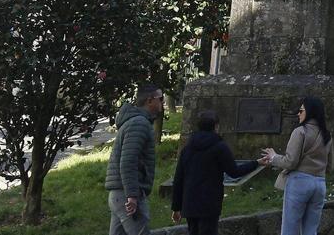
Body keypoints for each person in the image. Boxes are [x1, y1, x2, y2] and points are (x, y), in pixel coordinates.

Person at [171, 111, 259, 234]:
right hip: (209, 203)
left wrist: (176, 207)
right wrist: (256, 163)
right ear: (216, 126)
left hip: (189, 202)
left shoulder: (188, 148)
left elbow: (179, 178)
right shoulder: (219, 147)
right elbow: (234, 172)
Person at [260, 96, 332, 235]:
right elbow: (330, 165)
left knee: (290, 228)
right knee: (311, 230)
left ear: (310, 112)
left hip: (300, 182)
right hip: (319, 183)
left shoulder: (300, 131)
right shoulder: (327, 135)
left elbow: (290, 162)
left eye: (301, 111)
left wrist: (274, 157)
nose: (298, 114)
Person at [105, 85, 164, 235]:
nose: (162, 103)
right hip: (126, 195)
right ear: (150, 101)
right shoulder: (139, 123)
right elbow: (128, 161)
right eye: (161, 99)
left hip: (119, 194)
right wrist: (132, 195)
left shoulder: (136, 121)